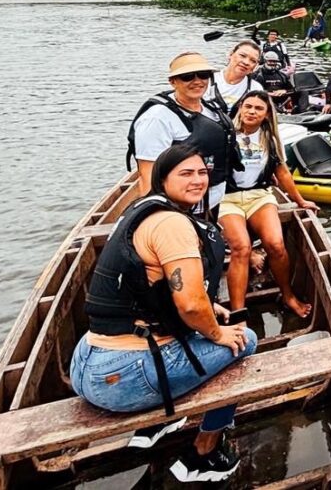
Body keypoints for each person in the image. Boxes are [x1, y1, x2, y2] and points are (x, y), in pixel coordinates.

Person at [72, 143, 257, 483]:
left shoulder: (141, 208)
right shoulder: (173, 224)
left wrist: (209, 309)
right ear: (163, 179)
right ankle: (204, 453)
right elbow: (190, 305)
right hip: (123, 377)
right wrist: (217, 333)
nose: (197, 180)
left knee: (211, 324)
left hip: (85, 363)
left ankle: (160, 422)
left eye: (202, 172)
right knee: (244, 341)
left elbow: (153, 288)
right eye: (185, 173)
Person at [222, 91, 318, 320]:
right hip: (227, 198)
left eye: (258, 108)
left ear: (266, 115)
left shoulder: (269, 139)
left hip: (259, 196)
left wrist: (300, 201)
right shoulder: (224, 135)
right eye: (248, 106)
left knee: (275, 245)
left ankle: (287, 295)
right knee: (241, 248)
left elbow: (282, 173)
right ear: (240, 108)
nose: (251, 112)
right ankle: (238, 314)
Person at [128, 52, 238, 211]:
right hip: (180, 208)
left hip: (212, 202)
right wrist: (158, 215)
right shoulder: (156, 119)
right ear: (173, 82)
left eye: (203, 75)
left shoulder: (211, 109)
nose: (197, 81)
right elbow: (148, 175)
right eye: (187, 77)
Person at [206, 40, 264, 111]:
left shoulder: (255, 88)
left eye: (253, 61)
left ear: (255, 66)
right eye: (242, 56)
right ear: (231, 54)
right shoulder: (207, 81)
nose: (246, 62)